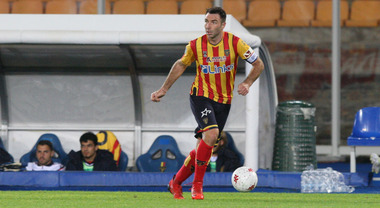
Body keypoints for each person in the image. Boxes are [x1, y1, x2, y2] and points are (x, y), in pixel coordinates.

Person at [151, 7, 264, 200]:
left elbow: (258, 64)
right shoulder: (195, 45)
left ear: (222, 25)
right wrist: (163, 89)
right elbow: (180, 65)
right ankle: (197, 186)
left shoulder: (236, 43)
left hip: (224, 101)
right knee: (211, 136)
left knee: (202, 149)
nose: (208, 26)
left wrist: (247, 82)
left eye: (213, 22)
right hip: (201, 95)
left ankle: (176, 183)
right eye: (206, 21)